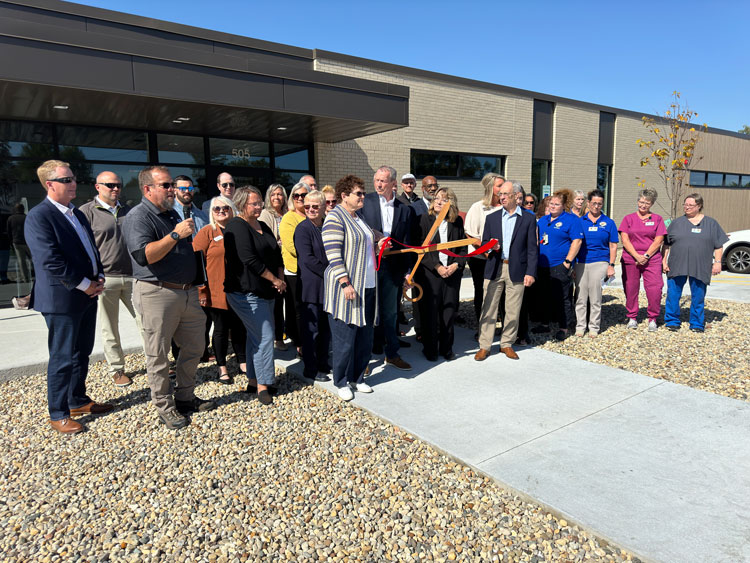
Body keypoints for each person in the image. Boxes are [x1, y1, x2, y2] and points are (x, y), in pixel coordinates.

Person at [123, 165, 216, 430]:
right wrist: (176, 235)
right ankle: (165, 407)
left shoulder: (171, 214)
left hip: (187, 291)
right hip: (157, 292)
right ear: (147, 189)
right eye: (165, 185)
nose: (171, 190)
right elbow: (144, 255)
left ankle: (185, 397)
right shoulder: (139, 216)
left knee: (196, 348)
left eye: (171, 185)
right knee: (158, 354)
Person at [25, 160, 111, 434]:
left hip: (87, 294)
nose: (73, 183)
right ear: (49, 184)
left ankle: (77, 400)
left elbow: (89, 249)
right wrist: (84, 284)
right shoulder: (39, 216)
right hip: (62, 300)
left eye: (73, 178)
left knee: (81, 352)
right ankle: (58, 412)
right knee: (62, 357)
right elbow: (50, 260)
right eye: (66, 180)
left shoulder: (77, 213)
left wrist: (97, 276)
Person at [224, 187, 286, 406]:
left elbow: (276, 253)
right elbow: (248, 259)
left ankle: (253, 380)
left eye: (260, 203)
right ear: (242, 204)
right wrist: (274, 279)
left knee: (255, 336)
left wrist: (279, 277)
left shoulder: (262, 225)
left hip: (266, 291)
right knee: (265, 336)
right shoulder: (236, 226)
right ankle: (263, 385)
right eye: (255, 204)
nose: (259, 207)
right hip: (245, 293)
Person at [79, 170, 141, 387]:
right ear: (98, 187)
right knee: (110, 327)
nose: (115, 189)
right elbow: (81, 247)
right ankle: (117, 369)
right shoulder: (85, 213)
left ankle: (157, 363)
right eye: (109, 185)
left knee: (147, 322)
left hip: (134, 276)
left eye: (118, 185)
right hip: (106, 279)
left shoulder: (129, 210)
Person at [322, 175, 378, 401]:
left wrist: (379, 240)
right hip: (347, 287)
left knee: (365, 336)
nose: (363, 196)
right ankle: (341, 380)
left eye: (363, 193)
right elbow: (333, 253)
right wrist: (345, 282)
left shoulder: (358, 217)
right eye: (359, 193)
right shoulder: (335, 217)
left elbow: (367, 239)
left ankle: (358, 377)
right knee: (345, 338)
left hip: (368, 285)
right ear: (344, 196)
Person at [359, 165, 415, 371]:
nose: (379, 184)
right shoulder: (366, 203)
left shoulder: (405, 209)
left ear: (393, 183)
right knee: (368, 313)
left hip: (393, 269)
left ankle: (392, 353)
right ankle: (363, 359)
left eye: (383, 180)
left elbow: (408, 243)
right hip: (370, 266)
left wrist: (408, 272)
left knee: (390, 313)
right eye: (376, 180)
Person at [474, 180, 537, 360]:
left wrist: (531, 272)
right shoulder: (491, 218)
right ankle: (484, 345)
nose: (501, 197)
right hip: (495, 267)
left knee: (512, 309)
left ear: (516, 196)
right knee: (488, 307)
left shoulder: (528, 218)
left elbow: (533, 248)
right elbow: (485, 243)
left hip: (517, 269)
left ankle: (506, 344)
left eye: (505, 194)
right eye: (500, 194)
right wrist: (489, 247)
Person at [192, 196, 247, 384]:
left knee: (240, 327)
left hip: (240, 289)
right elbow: (196, 264)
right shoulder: (206, 232)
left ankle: (243, 361)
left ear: (232, 210)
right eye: (217, 209)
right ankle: (222, 367)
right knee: (221, 329)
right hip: (216, 292)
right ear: (211, 212)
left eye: (225, 207)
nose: (221, 211)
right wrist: (202, 290)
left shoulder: (239, 231)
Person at [663, 194, 728, 333]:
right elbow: (666, 244)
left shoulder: (711, 223)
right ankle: (672, 320)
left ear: (699, 206)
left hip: (700, 265)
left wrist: (717, 262)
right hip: (677, 264)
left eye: (690, 205)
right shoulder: (676, 223)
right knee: (673, 294)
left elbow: (718, 245)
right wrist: (663, 261)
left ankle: (697, 323)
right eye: (685, 204)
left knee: (698, 295)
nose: (686, 207)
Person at [416, 187, 467, 361]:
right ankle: (430, 349)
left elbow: (463, 249)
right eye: (436, 198)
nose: (439, 202)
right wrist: (437, 266)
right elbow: (421, 250)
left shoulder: (457, 222)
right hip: (431, 275)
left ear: (451, 203)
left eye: (444, 199)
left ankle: (447, 349)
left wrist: (456, 265)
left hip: (451, 275)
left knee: (449, 313)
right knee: (430, 314)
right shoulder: (423, 220)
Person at [294, 190, 332, 381]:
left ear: (324, 207)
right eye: (307, 206)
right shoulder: (303, 229)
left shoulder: (327, 226)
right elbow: (307, 259)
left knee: (325, 330)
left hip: (328, 288)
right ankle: (311, 368)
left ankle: (324, 363)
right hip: (311, 288)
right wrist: (333, 272)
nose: (310, 209)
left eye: (315, 206)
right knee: (312, 331)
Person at [535, 192, 583, 340]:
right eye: (551, 204)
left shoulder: (571, 220)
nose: (553, 206)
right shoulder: (542, 220)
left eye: (556, 204)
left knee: (562, 298)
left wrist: (568, 262)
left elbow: (577, 241)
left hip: (560, 264)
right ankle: (544, 324)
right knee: (543, 296)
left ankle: (564, 327)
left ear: (563, 206)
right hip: (542, 264)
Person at [618, 188, 667, 331]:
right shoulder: (628, 218)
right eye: (641, 201)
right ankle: (632, 316)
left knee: (655, 288)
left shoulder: (657, 219)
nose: (643, 205)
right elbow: (625, 240)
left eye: (647, 203)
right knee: (631, 287)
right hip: (631, 258)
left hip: (651, 259)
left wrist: (646, 256)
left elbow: (659, 240)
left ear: (652, 204)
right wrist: (636, 256)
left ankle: (653, 318)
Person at [574, 189, 618, 338]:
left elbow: (613, 246)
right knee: (580, 296)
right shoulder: (580, 222)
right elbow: (574, 243)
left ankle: (594, 326)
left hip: (600, 262)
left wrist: (611, 265)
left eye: (599, 204)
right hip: (581, 262)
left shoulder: (609, 223)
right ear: (588, 203)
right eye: (594, 203)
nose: (596, 206)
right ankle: (580, 326)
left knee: (595, 296)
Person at [464, 173, 505, 327]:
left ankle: (502, 324)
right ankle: (482, 327)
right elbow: (471, 234)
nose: (502, 189)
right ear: (490, 188)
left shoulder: (506, 207)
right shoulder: (478, 207)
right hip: (481, 258)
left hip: (501, 258)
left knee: (501, 293)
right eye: (499, 185)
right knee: (482, 292)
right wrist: (486, 251)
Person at [279, 181, 310, 355]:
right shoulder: (289, 218)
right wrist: (313, 258)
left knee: (307, 307)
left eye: (303, 195)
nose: (299, 198)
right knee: (297, 308)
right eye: (296, 195)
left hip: (311, 270)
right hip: (294, 270)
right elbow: (291, 246)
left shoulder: (313, 214)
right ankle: (299, 342)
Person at [259, 183, 289, 351]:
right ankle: (277, 338)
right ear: (268, 197)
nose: (277, 197)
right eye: (273, 194)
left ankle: (284, 334)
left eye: (280, 194)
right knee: (276, 304)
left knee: (287, 302)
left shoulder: (287, 214)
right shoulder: (265, 214)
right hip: (274, 264)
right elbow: (268, 240)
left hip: (289, 263)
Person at [7, 203, 33, 283]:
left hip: (17, 242)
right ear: (23, 209)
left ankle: (25, 278)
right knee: (33, 259)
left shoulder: (11, 218)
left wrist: (11, 242)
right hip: (27, 241)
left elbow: (9, 231)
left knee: (21, 261)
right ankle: (35, 274)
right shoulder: (27, 217)